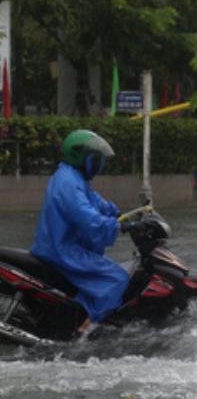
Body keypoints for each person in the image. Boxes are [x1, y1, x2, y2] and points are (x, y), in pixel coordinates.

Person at [30, 129, 131, 333]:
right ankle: (86, 330)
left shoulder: (73, 177)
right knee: (117, 278)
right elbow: (88, 218)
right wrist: (116, 225)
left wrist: (119, 213)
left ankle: (78, 316)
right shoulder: (68, 183)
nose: (100, 164)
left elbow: (95, 203)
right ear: (82, 158)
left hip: (61, 247)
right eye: (96, 159)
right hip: (62, 251)